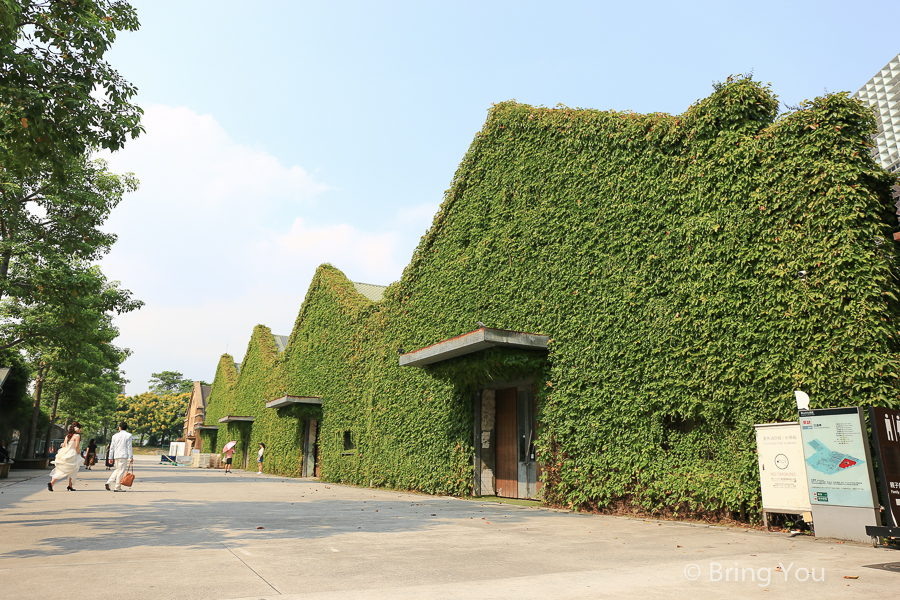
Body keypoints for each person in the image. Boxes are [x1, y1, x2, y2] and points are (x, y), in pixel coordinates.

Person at [48, 422, 82, 491]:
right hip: (73, 453)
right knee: (72, 469)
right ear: (78, 429)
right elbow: (76, 446)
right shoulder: (77, 436)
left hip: (65, 453)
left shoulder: (67, 436)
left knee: (66, 469)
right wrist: (79, 453)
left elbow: (63, 446)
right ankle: (53, 483)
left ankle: (69, 485)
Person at [105, 422, 133, 492]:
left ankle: (109, 482)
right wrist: (131, 456)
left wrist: (110, 457)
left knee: (118, 470)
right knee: (121, 471)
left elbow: (112, 447)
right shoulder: (128, 435)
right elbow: (129, 447)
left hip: (116, 455)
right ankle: (117, 487)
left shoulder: (114, 436)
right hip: (123, 455)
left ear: (119, 428)